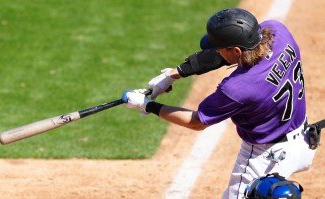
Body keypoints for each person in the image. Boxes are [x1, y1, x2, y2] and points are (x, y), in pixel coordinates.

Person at [121, 8, 317, 198]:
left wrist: (146, 104)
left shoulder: (237, 88)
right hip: (303, 140)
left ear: (236, 51)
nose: (216, 52)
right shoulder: (278, 32)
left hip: (265, 158)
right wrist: (173, 75)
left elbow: (196, 122)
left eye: (219, 48)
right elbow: (238, 51)